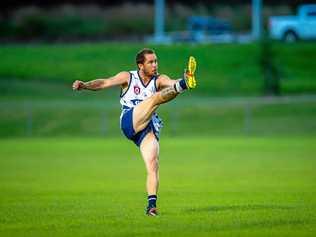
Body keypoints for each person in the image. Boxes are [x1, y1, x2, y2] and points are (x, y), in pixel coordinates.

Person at [72, 48, 197, 216]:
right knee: (154, 99)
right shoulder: (128, 77)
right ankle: (183, 86)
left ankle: (151, 206)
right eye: (150, 62)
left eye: (156, 61)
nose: (155, 65)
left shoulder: (159, 79)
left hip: (146, 128)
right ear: (140, 65)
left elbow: (170, 82)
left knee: (153, 164)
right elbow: (104, 83)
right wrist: (85, 85)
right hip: (129, 121)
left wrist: (183, 79)